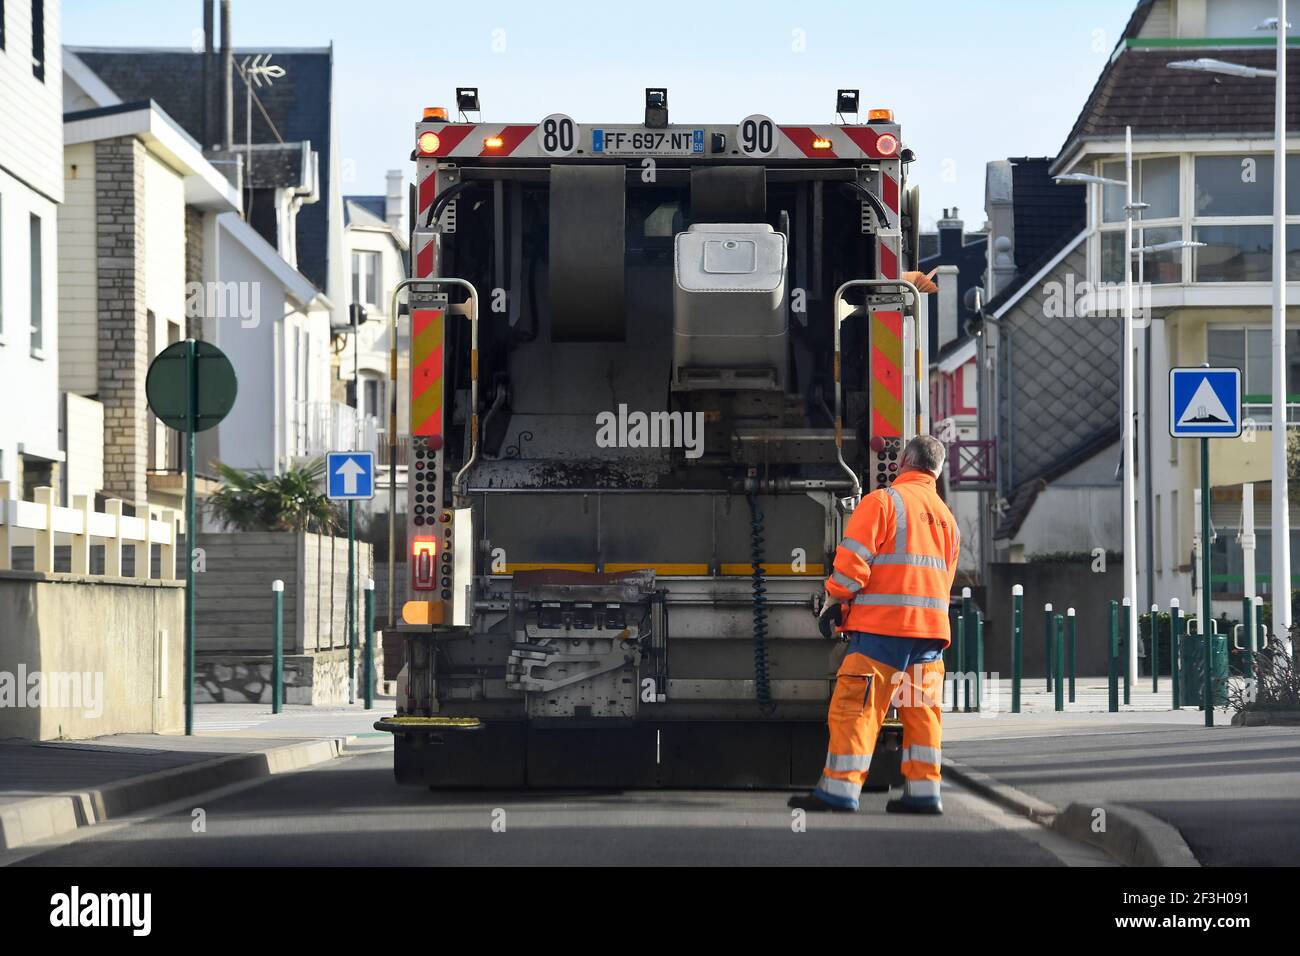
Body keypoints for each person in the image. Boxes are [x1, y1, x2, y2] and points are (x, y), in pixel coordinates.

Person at [789, 434, 960, 815]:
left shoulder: (883, 502)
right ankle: (924, 793)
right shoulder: (948, 520)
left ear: (902, 463)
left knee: (856, 707)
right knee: (922, 713)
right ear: (937, 471)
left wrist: (835, 600)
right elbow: (943, 581)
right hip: (931, 636)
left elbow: (852, 564)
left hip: (884, 631)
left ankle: (840, 790)